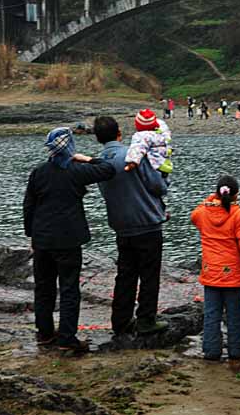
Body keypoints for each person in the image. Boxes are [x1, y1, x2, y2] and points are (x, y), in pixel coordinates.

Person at [23, 127, 116, 352]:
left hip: (43, 239)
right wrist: (86, 158)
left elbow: (29, 206)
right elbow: (108, 169)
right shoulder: (76, 170)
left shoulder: (39, 172)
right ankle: (67, 337)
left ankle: (44, 334)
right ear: (70, 147)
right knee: (69, 288)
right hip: (68, 240)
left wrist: (31, 235)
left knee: (43, 288)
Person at [94, 116, 169, 336]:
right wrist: (165, 178)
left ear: (98, 138)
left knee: (125, 274)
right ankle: (146, 320)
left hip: (121, 226)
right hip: (147, 224)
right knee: (148, 275)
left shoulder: (99, 163)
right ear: (119, 133)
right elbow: (157, 186)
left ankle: (120, 321)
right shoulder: (133, 154)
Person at [191, 176, 240, 361]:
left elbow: (195, 213)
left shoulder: (203, 213)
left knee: (211, 312)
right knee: (235, 312)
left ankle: (211, 350)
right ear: (236, 194)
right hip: (233, 272)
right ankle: (237, 349)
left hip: (210, 270)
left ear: (217, 193)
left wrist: (212, 198)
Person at [124, 108, 173, 180]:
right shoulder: (160, 134)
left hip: (153, 164)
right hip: (164, 163)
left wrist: (132, 163)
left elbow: (137, 149)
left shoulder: (142, 136)